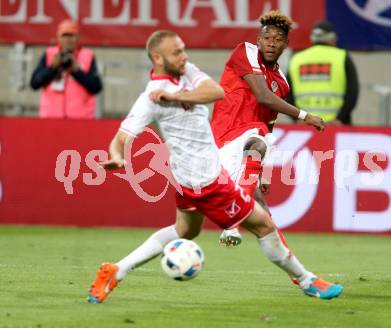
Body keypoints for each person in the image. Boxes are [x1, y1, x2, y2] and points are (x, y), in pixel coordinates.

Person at [87, 30, 342, 303]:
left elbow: (216, 91)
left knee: (186, 231)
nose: (184, 56)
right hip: (207, 180)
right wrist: (118, 157)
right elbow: (121, 138)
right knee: (264, 225)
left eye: (183, 49)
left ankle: (116, 270)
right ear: (157, 58)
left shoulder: (187, 73)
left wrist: (174, 97)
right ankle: (307, 281)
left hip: (190, 178)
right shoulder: (149, 98)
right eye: (176, 53)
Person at [211, 11, 324, 246]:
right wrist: (305, 115)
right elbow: (263, 97)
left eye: (278, 39)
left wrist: (261, 171)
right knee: (186, 221)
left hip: (249, 141)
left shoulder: (281, 81)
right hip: (223, 137)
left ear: (286, 44)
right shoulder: (246, 51)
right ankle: (231, 222)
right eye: (267, 37)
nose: (272, 43)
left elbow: (267, 127)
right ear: (258, 40)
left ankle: (296, 271)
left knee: (263, 209)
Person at [286, 20, 359, 125]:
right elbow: (352, 92)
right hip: (336, 125)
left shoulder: (297, 59)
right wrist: (340, 118)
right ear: (332, 38)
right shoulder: (342, 56)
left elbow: (286, 93)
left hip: (305, 124)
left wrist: (297, 119)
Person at [30, 19, 102, 118]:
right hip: (51, 118)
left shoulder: (87, 55)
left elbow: (96, 87)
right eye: (65, 35)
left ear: (78, 37)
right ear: (58, 37)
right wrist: (52, 67)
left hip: (81, 119)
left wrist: (77, 71)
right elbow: (34, 83)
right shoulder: (50, 54)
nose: (68, 39)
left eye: (71, 35)